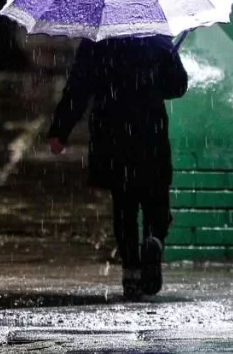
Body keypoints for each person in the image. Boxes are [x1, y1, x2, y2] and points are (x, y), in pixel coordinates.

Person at [47, 35, 188, 300]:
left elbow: (78, 87)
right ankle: (154, 240)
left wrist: (60, 129)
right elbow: (178, 86)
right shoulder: (156, 39)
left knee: (124, 204)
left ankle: (131, 272)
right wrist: (161, 70)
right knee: (156, 196)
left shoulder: (95, 42)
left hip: (110, 131)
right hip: (150, 129)